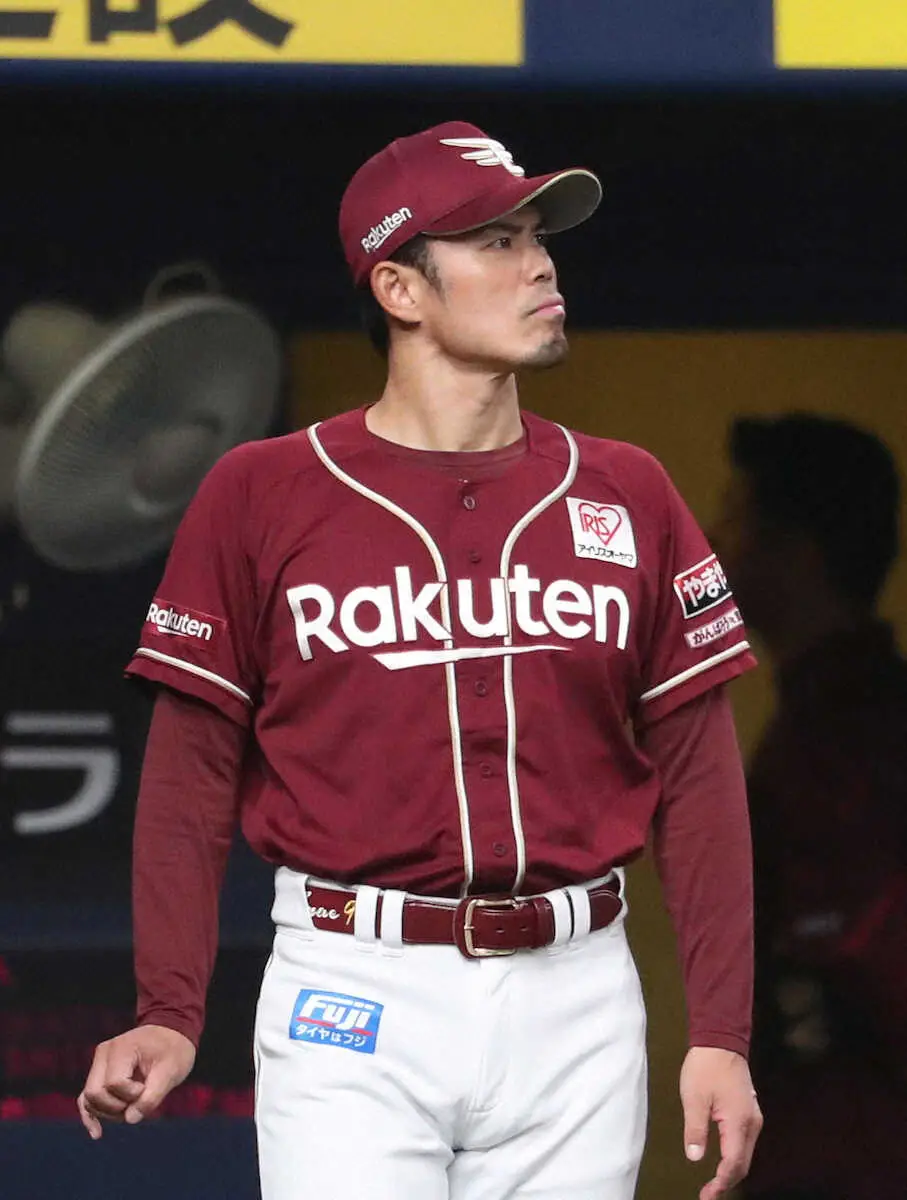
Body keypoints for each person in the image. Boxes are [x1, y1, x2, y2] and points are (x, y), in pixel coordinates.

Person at [78, 121, 762, 1200]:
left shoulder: (627, 490)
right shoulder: (262, 492)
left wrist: (720, 1029)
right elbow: (189, 774)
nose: (539, 264)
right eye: (495, 241)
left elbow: (699, 773)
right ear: (398, 288)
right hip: (352, 985)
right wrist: (169, 1007)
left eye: (539, 237)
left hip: (578, 991)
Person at [711, 414, 907, 1200]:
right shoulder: (833, 717)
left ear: (798, 552)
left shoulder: (847, 737)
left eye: (735, 517)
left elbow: (868, 959)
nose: (711, 540)